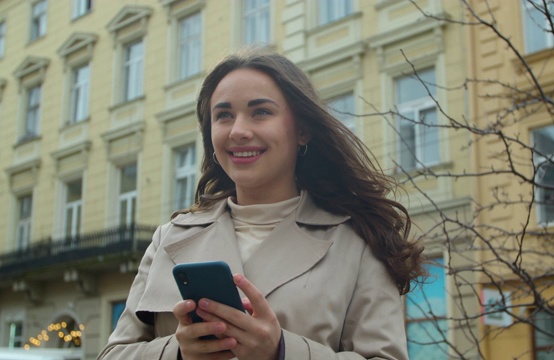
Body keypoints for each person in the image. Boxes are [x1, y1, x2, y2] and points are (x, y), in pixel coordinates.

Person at [97, 47, 425, 360]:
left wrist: (280, 352)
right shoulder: (169, 239)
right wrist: (179, 353)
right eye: (223, 115)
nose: (238, 130)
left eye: (261, 112)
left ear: (303, 131)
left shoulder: (357, 242)